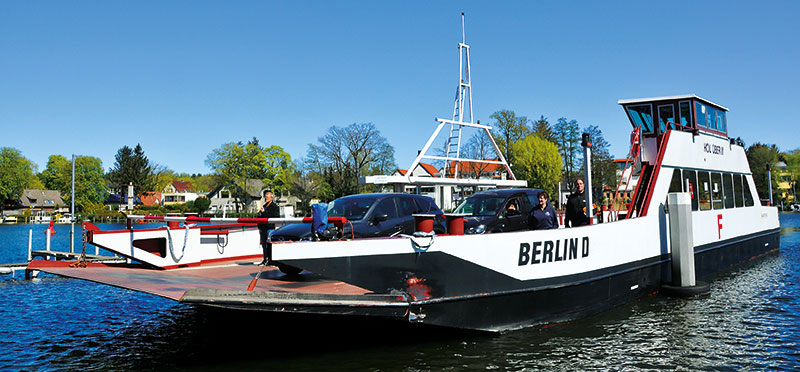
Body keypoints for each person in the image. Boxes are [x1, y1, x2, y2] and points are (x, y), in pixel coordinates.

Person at [257, 190, 280, 265]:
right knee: (264, 245)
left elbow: (275, 217)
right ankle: (265, 259)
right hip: (263, 228)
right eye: (265, 197)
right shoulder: (264, 206)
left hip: (269, 228)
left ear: (271, 198)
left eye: (267, 197)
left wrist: (264, 212)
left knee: (269, 245)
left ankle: (271, 260)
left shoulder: (274, 207)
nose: (265, 198)